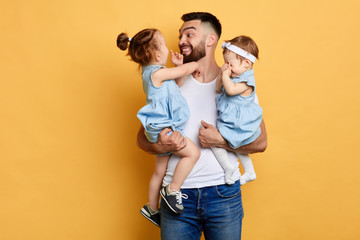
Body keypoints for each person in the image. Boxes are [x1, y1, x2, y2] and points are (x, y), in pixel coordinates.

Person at [137, 12, 267, 240]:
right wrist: (161, 145)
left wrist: (220, 141)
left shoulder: (238, 82)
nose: (181, 41)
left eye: (189, 34)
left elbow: (261, 142)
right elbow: (141, 138)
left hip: (224, 195)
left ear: (211, 40)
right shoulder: (169, 80)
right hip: (176, 198)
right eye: (180, 35)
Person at [117, 28, 201, 227]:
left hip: (157, 128)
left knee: (158, 172)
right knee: (193, 154)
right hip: (165, 129)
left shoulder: (155, 75)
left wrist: (179, 65)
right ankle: (173, 189)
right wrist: (195, 64)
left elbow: (176, 83)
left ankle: (152, 208)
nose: (168, 48)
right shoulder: (157, 74)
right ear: (156, 54)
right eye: (163, 45)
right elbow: (183, 73)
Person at [211, 35, 262, 186]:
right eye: (225, 63)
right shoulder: (232, 76)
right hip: (229, 119)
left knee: (224, 143)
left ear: (246, 63)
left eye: (229, 63)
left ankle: (235, 169)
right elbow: (217, 88)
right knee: (231, 145)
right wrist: (222, 74)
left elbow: (231, 90)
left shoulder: (247, 81)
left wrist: (225, 76)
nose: (227, 67)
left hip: (239, 122)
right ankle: (239, 169)